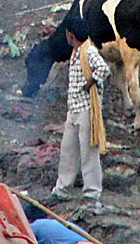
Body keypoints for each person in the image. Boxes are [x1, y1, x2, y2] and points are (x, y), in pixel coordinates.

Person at [51, 16, 110, 203]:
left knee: (88, 153)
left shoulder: (89, 51)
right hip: (73, 109)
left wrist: (89, 84)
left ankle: (92, 193)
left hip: (87, 110)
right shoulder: (76, 52)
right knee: (68, 151)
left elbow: (103, 69)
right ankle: (62, 189)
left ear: (71, 35)